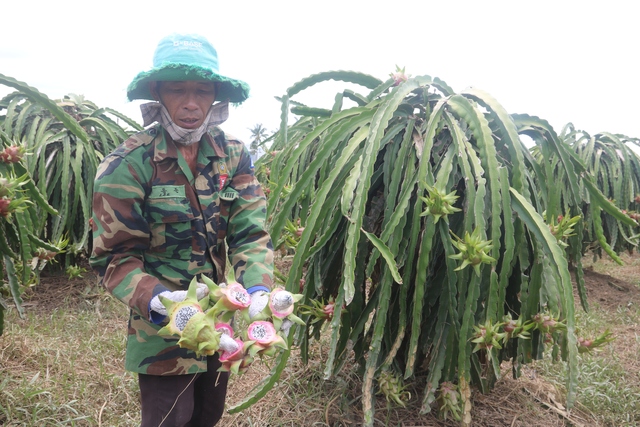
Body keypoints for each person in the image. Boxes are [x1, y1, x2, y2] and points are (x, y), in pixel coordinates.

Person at [90, 33, 274, 427]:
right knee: (170, 419)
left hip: (220, 317)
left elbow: (249, 231)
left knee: (208, 415)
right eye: (177, 90)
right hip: (160, 329)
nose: (191, 103)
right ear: (157, 93)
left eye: (202, 91)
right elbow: (114, 257)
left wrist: (258, 289)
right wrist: (162, 303)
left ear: (216, 96)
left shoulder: (234, 155)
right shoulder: (129, 164)